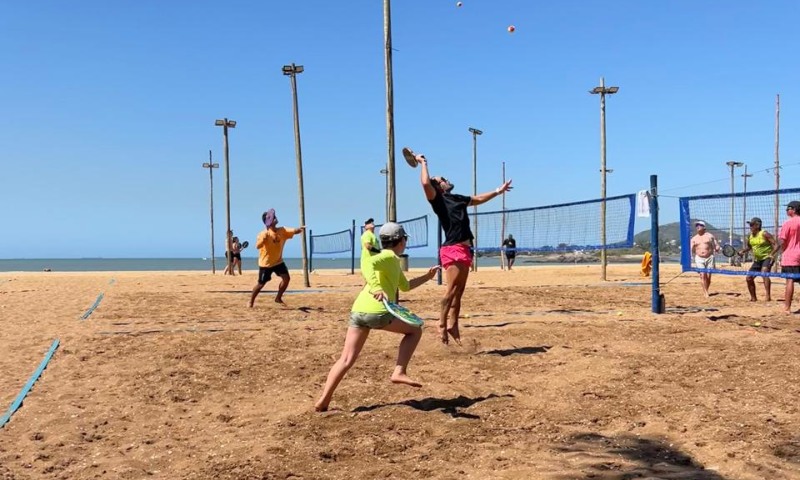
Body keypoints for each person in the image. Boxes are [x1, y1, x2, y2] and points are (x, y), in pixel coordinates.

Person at [314, 222, 439, 412]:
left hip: (359, 310)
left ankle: (324, 400)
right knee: (415, 330)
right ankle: (399, 371)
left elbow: (405, 286)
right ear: (401, 241)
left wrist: (427, 277)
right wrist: (376, 287)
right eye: (405, 239)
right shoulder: (389, 257)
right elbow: (367, 264)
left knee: (346, 359)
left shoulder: (388, 259)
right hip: (377, 311)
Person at [416, 150, 513, 344]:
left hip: (466, 249)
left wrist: (497, 191)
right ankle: (441, 325)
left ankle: (454, 325)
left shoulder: (457, 198)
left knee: (459, 293)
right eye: (442, 179)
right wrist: (423, 163)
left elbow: (477, 199)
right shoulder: (438, 200)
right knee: (451, 291)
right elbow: (426, 183)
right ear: (439, 186)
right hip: (452, 248)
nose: (446, 179)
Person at [250, 209, 305, 307]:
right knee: (260, 284)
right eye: (273, 218)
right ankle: (251, 301)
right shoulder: (264, 234)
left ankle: (278, 298)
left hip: (278, 262)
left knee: (286, 279)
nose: (276, 218)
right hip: (266, 264)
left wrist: (300, 229)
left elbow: (293, 231)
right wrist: (262, 241)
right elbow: (257, 246)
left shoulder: (282, 230)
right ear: (269, 222)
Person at [738, 217, 777, 302]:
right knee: (749, 278)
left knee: (764, 273)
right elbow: (749, 247)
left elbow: (776, 245)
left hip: (767, 257)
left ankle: (768, 296)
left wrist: (771, 255)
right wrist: (742, 251)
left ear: (757, 225)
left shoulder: (764, 234)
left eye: (752, 225)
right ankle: (753, 298)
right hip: (757, 260)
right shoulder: (750, 236)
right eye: (750, 225)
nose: (750, 227)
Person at [777, 201, 800, 314]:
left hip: (791, 255)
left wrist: (783, 252)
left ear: (794, 210)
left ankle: (787, 308)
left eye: (788, 208)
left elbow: (782, 241)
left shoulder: (788, 223)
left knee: (789, 281)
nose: (786, 210)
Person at [689, 220, 720, 298]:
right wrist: (690, 257)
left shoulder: (710, 236)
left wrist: (717, 248)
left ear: (704, 227)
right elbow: (690, 249)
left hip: (710, 257)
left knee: (709, 275)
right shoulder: (694, 239)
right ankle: (705, 292)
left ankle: (706, 289)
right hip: (699, 258)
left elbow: (716, 245)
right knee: (703, 275)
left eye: (699, 225)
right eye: (696, 225)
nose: (698, 226)